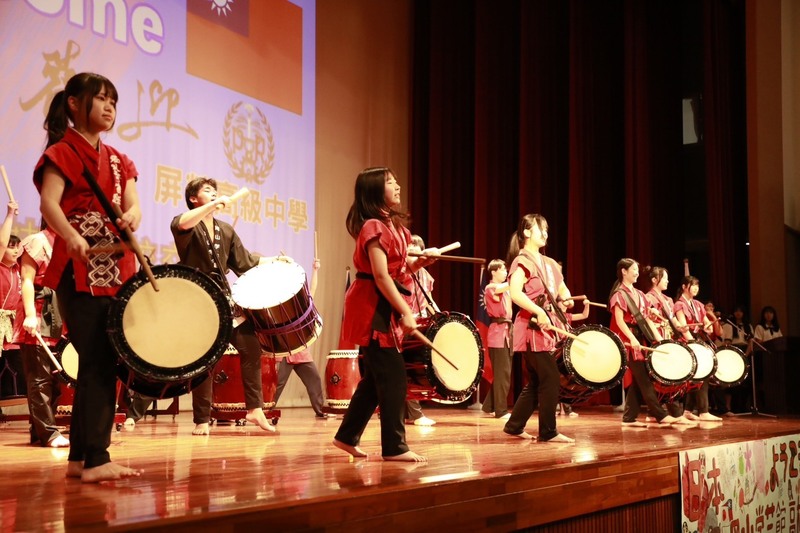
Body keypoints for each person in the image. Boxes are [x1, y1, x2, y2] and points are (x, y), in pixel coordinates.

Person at [35, 72, 142, 481]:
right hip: (78, 266)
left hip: (117, 266)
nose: (110, 107)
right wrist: (70, 235)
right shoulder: (63, 151)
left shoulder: (119, 160)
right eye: (100, 99)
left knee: (103, 358)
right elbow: (49, 203)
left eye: (113, 100)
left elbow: (133, 207)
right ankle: (97, 457)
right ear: (74, 105)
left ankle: (82, 458)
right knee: (99, 357)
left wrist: (132, 215)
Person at [171, 177, 289, 436]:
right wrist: (211, 207)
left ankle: (254, 409)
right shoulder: (185, 223)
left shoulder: (225, 230)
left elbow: (245, 261)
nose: (213, 194)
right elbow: (183, 222)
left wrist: (274, 260)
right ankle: (202, 418)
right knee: (205, 358)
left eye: (215, 191)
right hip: (198, 296)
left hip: (224, 297)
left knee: (250, 346)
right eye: (207, 191)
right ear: (193, 199)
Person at [332, 167, 432, 462]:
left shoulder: (395, 228)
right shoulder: (373, 227)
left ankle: (347, 436)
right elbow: (379, 275)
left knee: (376, 380)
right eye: (390, 182)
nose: (398, 186)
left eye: (396, 180)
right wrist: (405, 311)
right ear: (375, 191)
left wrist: (421, 263)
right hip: (372, 307)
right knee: (393, 378)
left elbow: (396, 272)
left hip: (381, 303)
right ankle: (394, 446)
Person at [501, 214, 574, 443]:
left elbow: (562, 289)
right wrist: (539, 310)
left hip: (546, 327)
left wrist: (568, 299)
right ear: (526, 233)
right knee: (550, 378)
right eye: (541, 229)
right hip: (531, 327)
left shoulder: (549, 263)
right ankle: (548, 431)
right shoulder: (522, 260)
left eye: (547, 230)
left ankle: (514, 426)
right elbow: (515, 293)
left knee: (536, 381)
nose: (545, 234)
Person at [15, 224, 70, 447]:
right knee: (39, 378)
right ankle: (48, 433)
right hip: (38, 312)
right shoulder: (37, 241)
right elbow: (27, 279)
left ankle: (39, 431)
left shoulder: (67, 242)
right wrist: (29, 314)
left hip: (58, 315)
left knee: (57, 379)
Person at [609, 259, 678, 428]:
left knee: (642, 377)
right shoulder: (619, 294)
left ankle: (629, 417)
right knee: (644, 378)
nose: (637, 273)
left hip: (641, 336)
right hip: (628, 338)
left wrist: (659, 340)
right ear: (624, 271)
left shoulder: (639, 294)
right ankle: (660, 414)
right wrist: (631, 339)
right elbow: (619, 321)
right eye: (633, 269)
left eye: (637, 270)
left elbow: (647, 319)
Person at [273, 258, 329, 418]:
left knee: (315, 380)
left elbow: (313, 288)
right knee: (277, 385)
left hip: (300, 352)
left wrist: (315, 270)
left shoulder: (301, 304)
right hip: (284, 352)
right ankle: (267, 412)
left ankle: (320, 411)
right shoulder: (278, 303)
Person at [641, 265, 693, 425]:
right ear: (655, 280)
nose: (668, 281)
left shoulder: (669, 300)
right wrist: (658, 340)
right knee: (661, 377)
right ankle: (671, 413)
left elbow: (673, 320)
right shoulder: (647, 298)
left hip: (669, 338)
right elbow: (647, 319)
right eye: (665, 278)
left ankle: (663, 412)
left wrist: (680, 327)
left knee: (669, 377)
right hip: (657, 339)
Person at [673, 276, 722, 422]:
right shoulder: (679, 305)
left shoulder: (699, 304)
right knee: (700, 374)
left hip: (697, 340)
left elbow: (707, 326)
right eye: (692, 285)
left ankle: (688, 410)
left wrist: (708, 326)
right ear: (684, 286)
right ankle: (703, 411)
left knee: (699, 376)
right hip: (686, 341)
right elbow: (683, 327)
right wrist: (694, 344)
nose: (695, 288)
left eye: (697, 286)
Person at [404, 234, 436, 427]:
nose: (413, 248)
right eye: (411, 246)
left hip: (421, 322)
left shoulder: (425, 275)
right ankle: (415, 414)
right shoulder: (405, 269)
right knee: (410, 367)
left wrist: (438, 315)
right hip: (407, 320)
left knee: (413, 367)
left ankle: (409, 414)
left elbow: (429, 299)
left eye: (417, 246)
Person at [481, 259, 512, 420]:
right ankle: (501, 410)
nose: (506, 272)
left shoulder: (505, 289)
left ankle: (490, 406)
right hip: (497, 334)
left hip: (507, 334)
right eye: (503, 269)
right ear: (493, 272)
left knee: (503, 373)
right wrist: (517, 277)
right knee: (503, 373)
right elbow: (500, 289)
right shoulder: (490, 287)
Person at [0, 203, 23, 400]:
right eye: (11, 246)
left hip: (13, 326)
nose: (16, 251)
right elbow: (1, 243)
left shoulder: (19, 269)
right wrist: (9, 215)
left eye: (18, 247)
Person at [555, 295, 591, 417]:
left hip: (566, 349)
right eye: (562, 302)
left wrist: (587, 305)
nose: (565, 304)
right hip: (555, 348)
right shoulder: (553, 316)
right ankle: (555, 407)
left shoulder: (566, 317)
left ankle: (567, 408)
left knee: (567, 379)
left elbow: (584, 315)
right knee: (556, 379)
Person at [719, 304, 753, 415]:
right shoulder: (730, 325)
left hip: (745, 352)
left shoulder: (748, 326)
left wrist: (746, 355)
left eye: (740, 311)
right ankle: (729, 406)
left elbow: (751, 343)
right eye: (736, 311)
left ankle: (743, 406)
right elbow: (728, 342)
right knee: (732, 381)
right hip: (734, 351)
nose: (738, 313)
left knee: (745, 382)